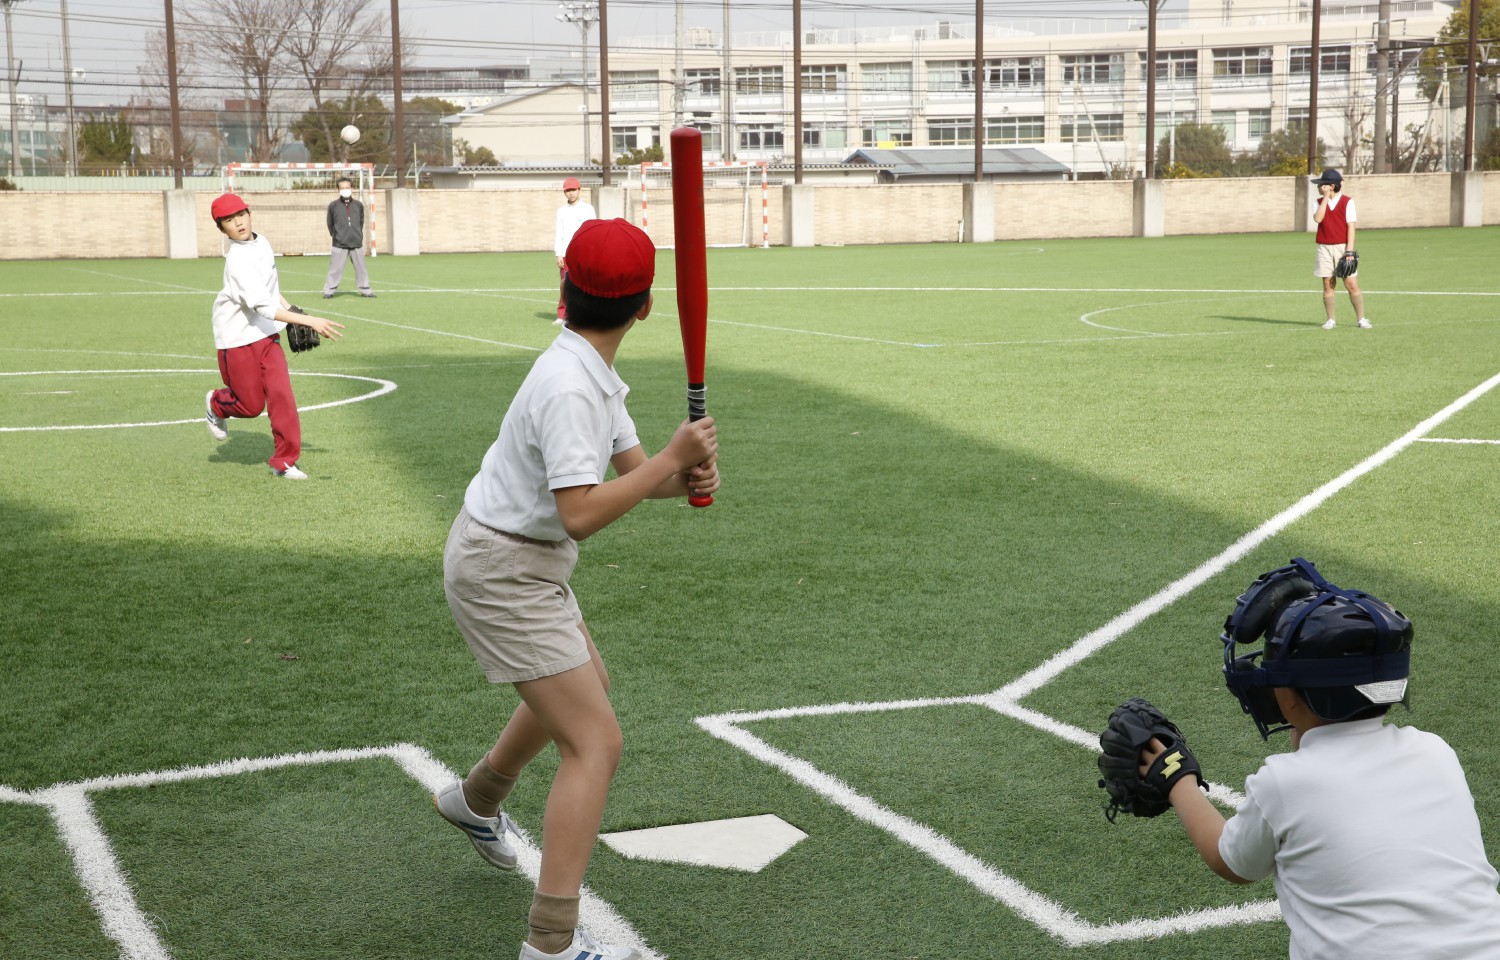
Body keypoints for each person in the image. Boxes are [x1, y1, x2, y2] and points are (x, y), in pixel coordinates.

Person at [434, 218, 719, 960]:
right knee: (595, 743)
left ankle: (477, 800)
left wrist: (678, 473)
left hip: (522, 562)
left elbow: (627, 475)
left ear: (562, 289)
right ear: (647, 307)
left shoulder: (588, 371)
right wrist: (671, 460)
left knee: (590, 682)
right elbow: (580, 513)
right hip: (504, 571)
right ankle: (551, 945)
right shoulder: (569, 387)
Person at [1142, 558, 1500, 959]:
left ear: (1289, 697)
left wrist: (1176, 776)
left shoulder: (1285, 782)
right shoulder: (1436, 752)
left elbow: (1231, 861)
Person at [204, 193, 345, 480]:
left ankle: (284, 462)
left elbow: (270, 292)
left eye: (241, 215)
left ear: (249, 214)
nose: (238, 223)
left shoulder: (262, 243)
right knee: (251, 406)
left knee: (282, 395)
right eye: (229, 221)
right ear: (223, 230)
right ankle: (216, 403)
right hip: (237, 340)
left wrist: (289, 306)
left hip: (267, 336)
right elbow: (263, 306)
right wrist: (308, 320)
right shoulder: (237, 262)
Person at [1310, 169, 1369, 330]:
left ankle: (1361, 318)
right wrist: (1325, 198)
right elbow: (1318, 218)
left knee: (1351, 284)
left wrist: (1349, 251)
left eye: (1322, 184)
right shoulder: (1317, 201)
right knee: (1328, 284)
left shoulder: (1347, 202)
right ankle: (1330, 319)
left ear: (1331, 185)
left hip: (1342, 247)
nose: (1319, 187)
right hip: (1324, 248)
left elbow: (1351, 226)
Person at [552, 176, 596, 325]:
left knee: (585, 284)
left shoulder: (588, 209)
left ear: (579, 190)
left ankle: (585, 313)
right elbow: (559, 232)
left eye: (573, 190)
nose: (570, 193)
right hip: (566, 253)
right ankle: (562, 315)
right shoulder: (561, 211)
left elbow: (592, 231)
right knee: (566, 283)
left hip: (583, 253)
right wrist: (558, 253)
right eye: (567, 191)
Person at [323, 176, 375, 299]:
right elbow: (330, 223)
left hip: (356, 243)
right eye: (342, 188)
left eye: (347, 187)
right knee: (335, 270)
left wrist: (358, 235)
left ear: (351, 188)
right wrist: (336, 236)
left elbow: (360, 222)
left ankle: (366, 290)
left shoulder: (358, 205)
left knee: (361, 269)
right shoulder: (333, 206)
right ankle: (329, 291)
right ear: (338, 190)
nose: (345, 190)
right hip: (339, 243)